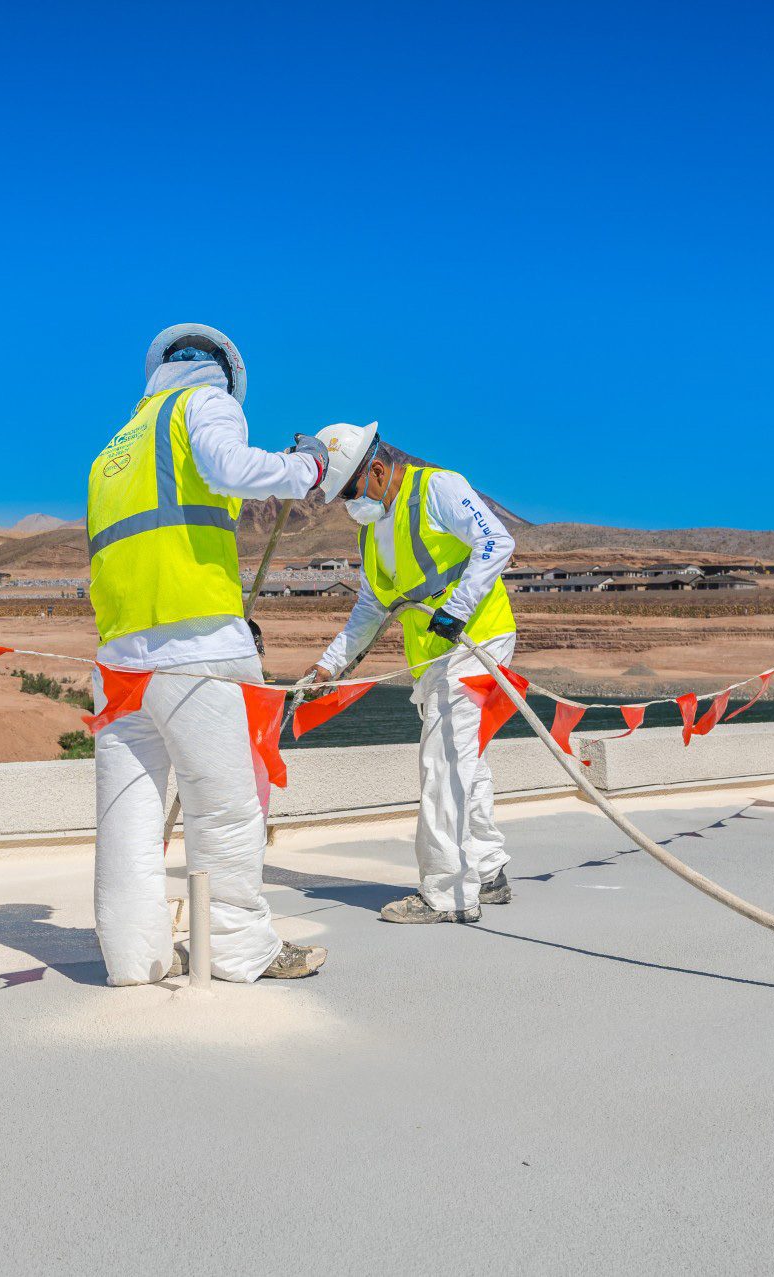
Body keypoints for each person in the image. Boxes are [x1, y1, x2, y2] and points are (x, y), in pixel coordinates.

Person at [85, 324, 331, 983]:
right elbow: (227, 465)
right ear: (226, 372)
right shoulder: (205, 402)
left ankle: (135, 960)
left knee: (128, 818)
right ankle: (239, 948)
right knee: (224, 805)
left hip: (119, 657)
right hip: (197, 645)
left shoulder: (114, 447)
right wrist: (305, 468)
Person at [304, 424, 518, 923]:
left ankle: (448, 894)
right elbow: (370, 608)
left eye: (350, 491)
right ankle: (487, 871)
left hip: (478, 640)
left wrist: (460, 608)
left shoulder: (438, 488)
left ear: (376, 470)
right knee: (464, 757)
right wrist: (328, 665)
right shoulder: (371, 530)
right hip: (434, 654)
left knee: (444, 760)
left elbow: (496, 541)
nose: (348, 504)